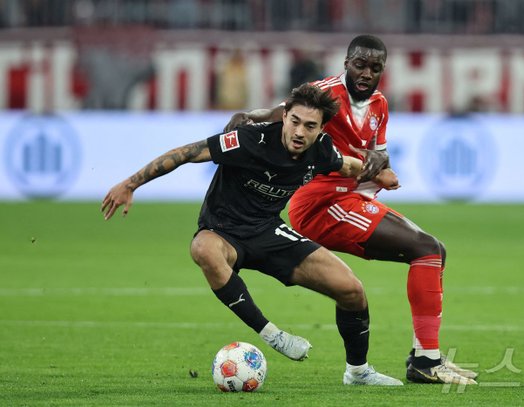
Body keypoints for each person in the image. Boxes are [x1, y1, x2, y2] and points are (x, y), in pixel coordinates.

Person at [101, 84, 403, 386]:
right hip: (223, 232)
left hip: (268, 232)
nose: (300, 132)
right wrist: (130, 184)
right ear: (284, 116)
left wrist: (378, 174)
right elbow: (186, 153)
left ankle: (358, 372)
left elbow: (347, 166)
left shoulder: (322, 149)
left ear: (322, 129)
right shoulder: (249, 140)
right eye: (295, 121)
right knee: (202, 248)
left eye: (310, 126)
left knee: (351, 289)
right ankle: (272, 335)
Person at [224, 35, 478, 385]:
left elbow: (380, 154)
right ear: (346, 63)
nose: (366, 73)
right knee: (427, 249)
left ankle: (424, 357)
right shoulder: (325, 94)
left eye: (375, 68)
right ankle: (426, 362)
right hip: (321, 204)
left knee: (434, 252)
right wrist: (246, 116)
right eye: (360, 65)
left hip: (351, 199)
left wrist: (379, 164)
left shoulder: (379, 104)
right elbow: (277, 114)